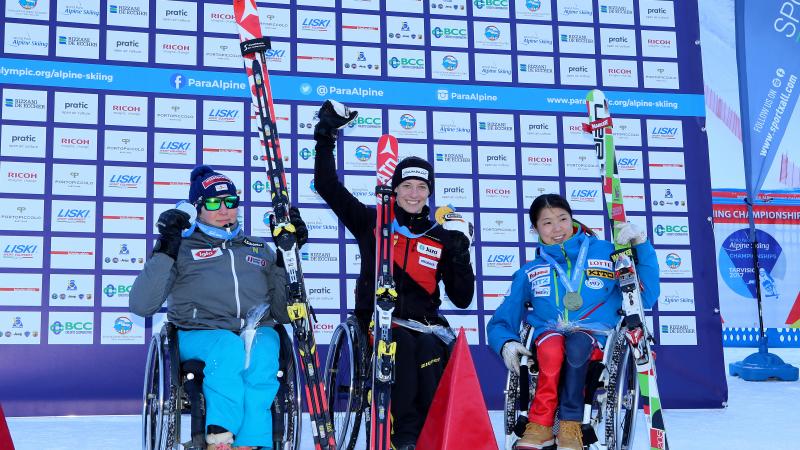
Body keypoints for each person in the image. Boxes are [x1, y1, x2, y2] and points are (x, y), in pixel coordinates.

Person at [313, 100, 476, 449]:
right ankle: (404, 438)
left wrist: (461, 254)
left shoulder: (440, 235)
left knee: (430, 347)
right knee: (398, 346)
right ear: (396, 189)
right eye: (406, 186)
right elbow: (327, 186)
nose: (414, 194)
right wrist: (326, 136)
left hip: (426, 325)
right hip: (378, 324)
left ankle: (428, 437)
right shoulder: (372, 221)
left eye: (421, 187)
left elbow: (462, 299)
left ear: (430, 191)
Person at [129, 165, 308, 450]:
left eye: (230, 202)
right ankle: (220, 438)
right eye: (213, 202)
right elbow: (142, 305)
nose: (223, 209)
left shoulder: (258, 248)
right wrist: (166, 248)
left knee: (263, 350)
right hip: (199, 332)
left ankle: (250, 442)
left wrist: (287, 258)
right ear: (197, 208)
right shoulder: (183, 248)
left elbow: (284, 313)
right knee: (227, 346)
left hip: (254, 329)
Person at [487, 193, 660, 450]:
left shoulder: (608, 252)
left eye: (562, 219)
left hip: (595, 337)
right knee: (551, 347)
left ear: (572, 219)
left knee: (578, 346)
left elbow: (644, 297)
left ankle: (571, 425)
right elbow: (500, 321)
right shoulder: (529, 272)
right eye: (547, 223)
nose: (557, 228)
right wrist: (507, 344)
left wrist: (641, 247)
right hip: (549, 336)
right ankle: (541, 425)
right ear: (535, 229)